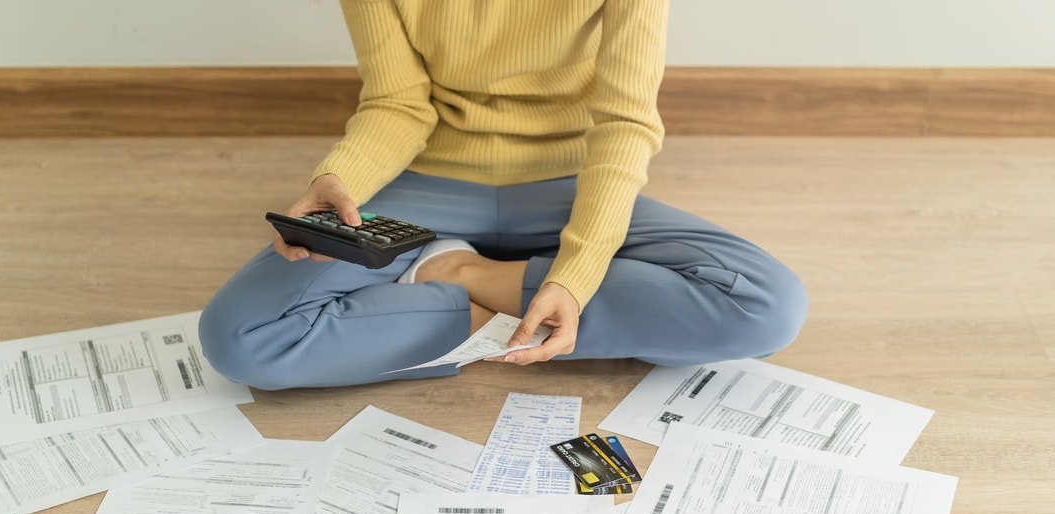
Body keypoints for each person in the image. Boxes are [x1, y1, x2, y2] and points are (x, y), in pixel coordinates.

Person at [198, 0, 808, 390]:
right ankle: (537, 312)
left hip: (569, 182)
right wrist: (339, 180)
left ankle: (460, 276)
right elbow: (397, 103)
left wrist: (575, 275)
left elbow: (624, 122)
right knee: (241, 340)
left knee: (767, 306)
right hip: (428, 180)